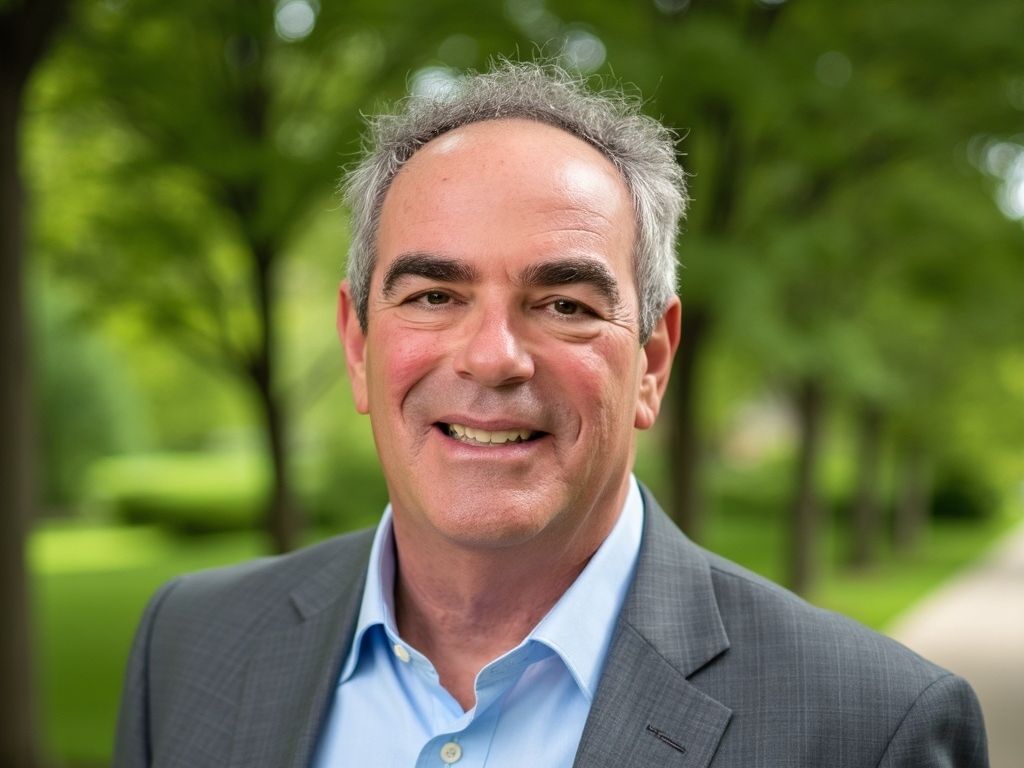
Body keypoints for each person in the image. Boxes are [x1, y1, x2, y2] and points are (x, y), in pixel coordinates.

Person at [112, 60, 988, 768]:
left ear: (651, 362)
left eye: (565, 305)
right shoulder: (190, 647)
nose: (493, 357)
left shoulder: (872, 730)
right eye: (433, 295)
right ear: (357, 344)